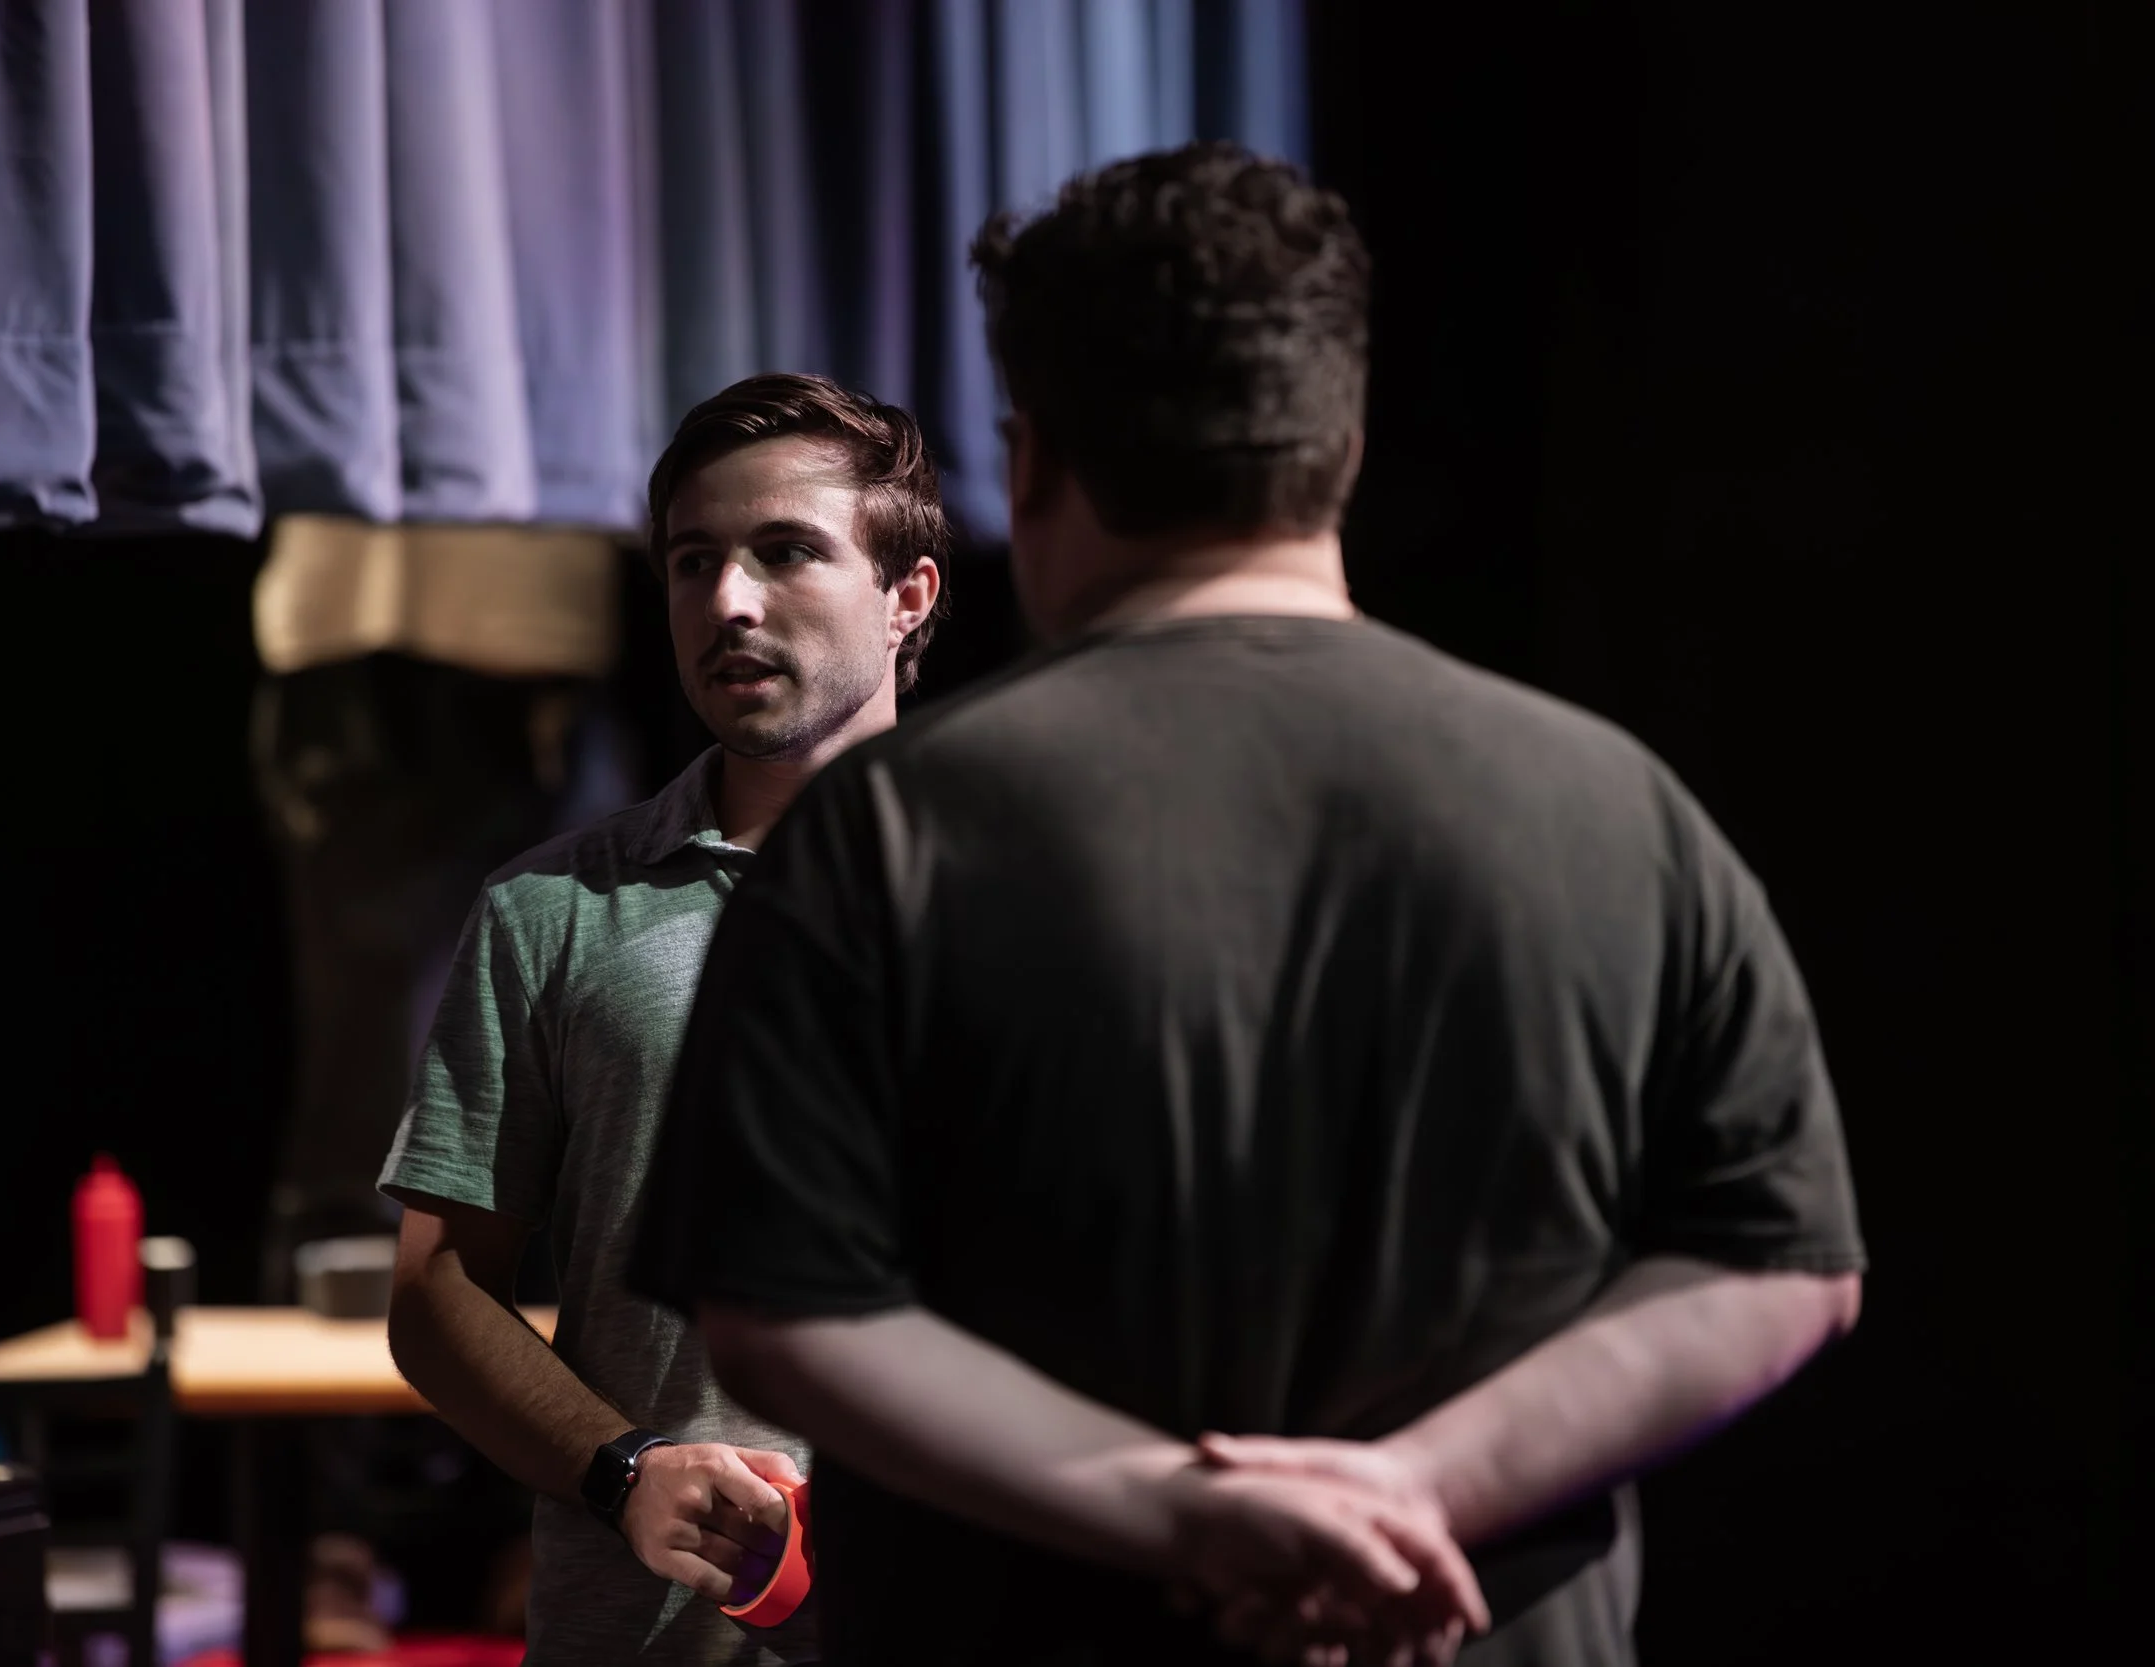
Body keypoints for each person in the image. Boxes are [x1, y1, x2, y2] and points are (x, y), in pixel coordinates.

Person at [629, 142, 1866, 1667]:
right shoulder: (1628, 808)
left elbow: (776, 1310)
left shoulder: (879, 838)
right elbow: (1782, 1263)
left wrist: (1180, 1505)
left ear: (1033, 462)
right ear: (1337, 443)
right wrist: (1417, 1491)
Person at [381, 372, 946, 1665]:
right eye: (696, 562)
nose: (729, 602)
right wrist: (621, 1466)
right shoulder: (551, 910)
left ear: (906, 594)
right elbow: (437, 1290)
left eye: (786, 552)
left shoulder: (1028, 898)